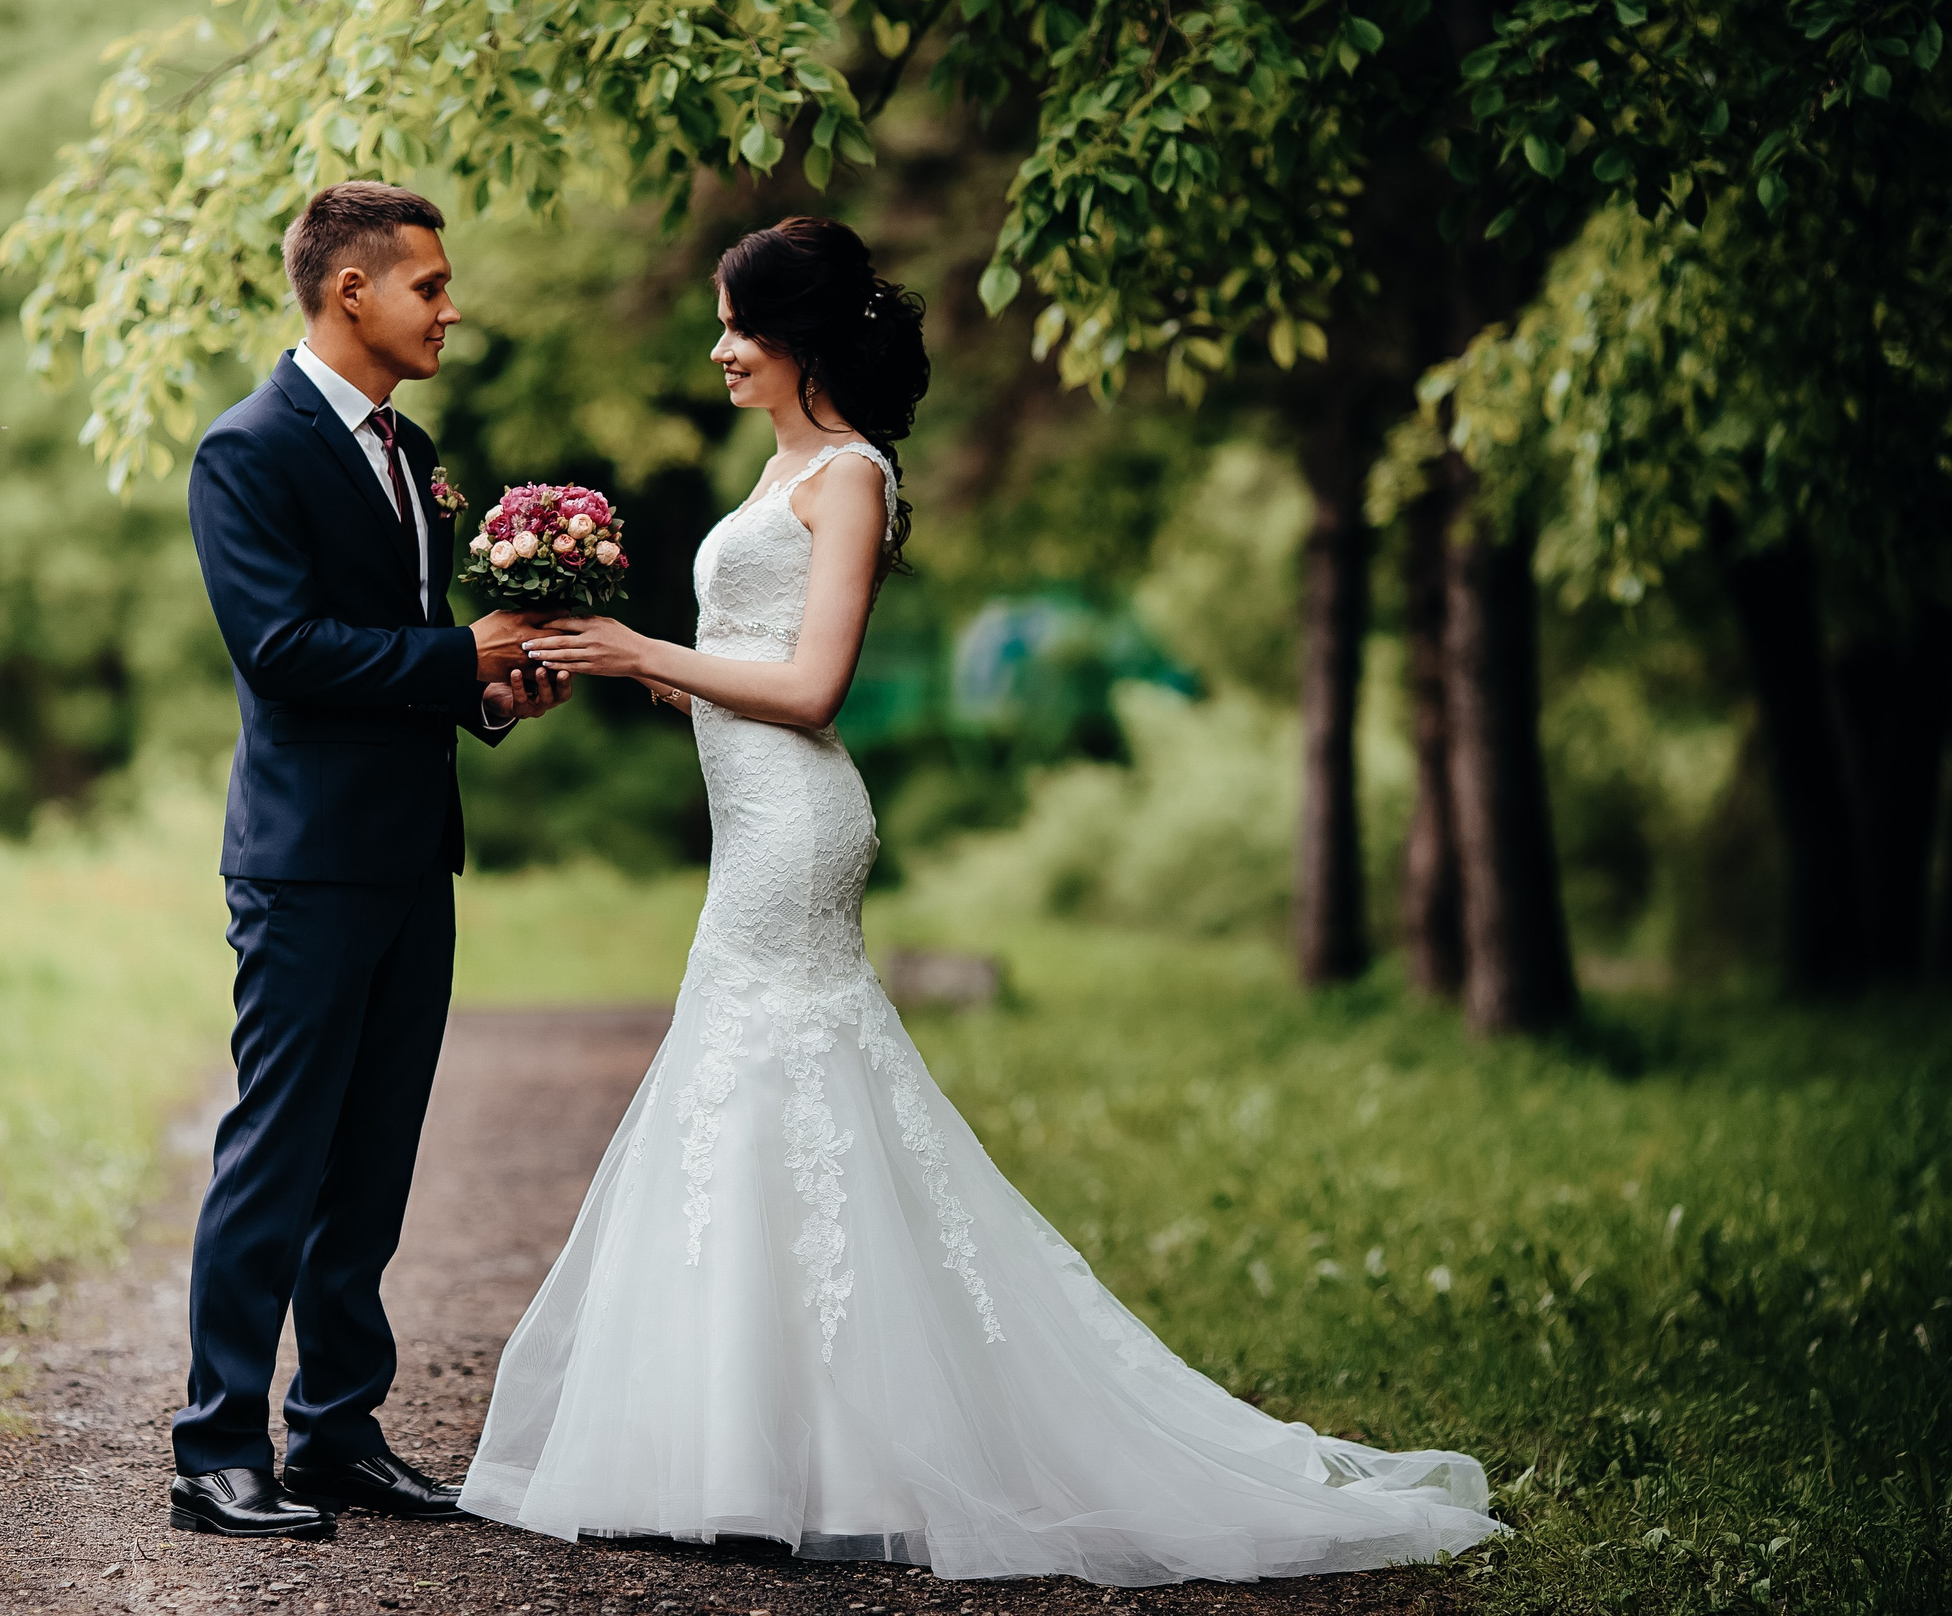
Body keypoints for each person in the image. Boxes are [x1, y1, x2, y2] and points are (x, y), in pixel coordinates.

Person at [461, 216, 1509, 1585]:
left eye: (738, 326)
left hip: (798, 829)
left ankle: (807, 1456)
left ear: (801, 339)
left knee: (771, 1077)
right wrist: (610, 665)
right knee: (759, 1096)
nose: (718, 349)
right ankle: (757, 1451)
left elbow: (812, 690)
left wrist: (644, 646)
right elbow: (741, 671)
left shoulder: (852, 476)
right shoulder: (778, 470)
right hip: (748, 820)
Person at [171, 181, 568, 1539]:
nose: (451, 309)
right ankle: (216, 1448)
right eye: (430, 286)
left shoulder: (417, 450)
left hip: (414, 854)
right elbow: (281, 654)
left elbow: (408, 650)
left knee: (375, 1163)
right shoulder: (246, 450)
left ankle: (337, 1432)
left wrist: (489, 694)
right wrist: (462, 652)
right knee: (277, 1155)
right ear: (352, 290)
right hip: (306, 865)